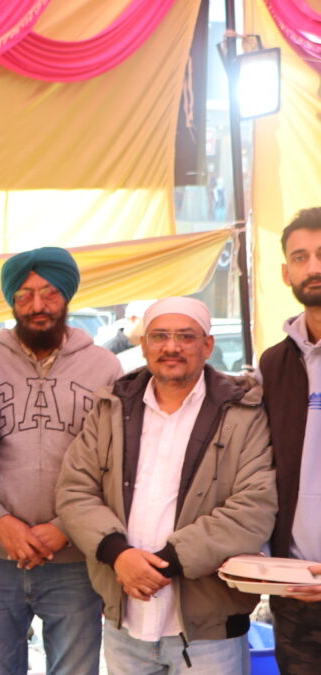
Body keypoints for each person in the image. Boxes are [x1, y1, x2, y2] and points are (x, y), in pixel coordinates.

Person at [57, 296, 277, 674]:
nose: (171, 347)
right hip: (124, 622)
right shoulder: (112, 406)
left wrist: (166, 564)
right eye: (159, 336)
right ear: (143, 344)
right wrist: (117, 553)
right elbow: (75, 490)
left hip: (209, 633)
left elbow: (253, 509)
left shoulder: (243, 412)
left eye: (185, 337)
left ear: (207, 345)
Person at [0, 247, 121, 675]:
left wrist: (65, 529)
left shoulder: (104, 367)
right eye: (25, 295)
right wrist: (0, 522)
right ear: (11, 301)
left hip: (75, 558)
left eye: (50, 293)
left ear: (68, 295)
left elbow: (116, 465)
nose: (38, 306)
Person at [258, 206, 321, 673]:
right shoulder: (274, 365)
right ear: (285, 273)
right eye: (300, 257)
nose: (313, 267)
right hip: (295, 587)